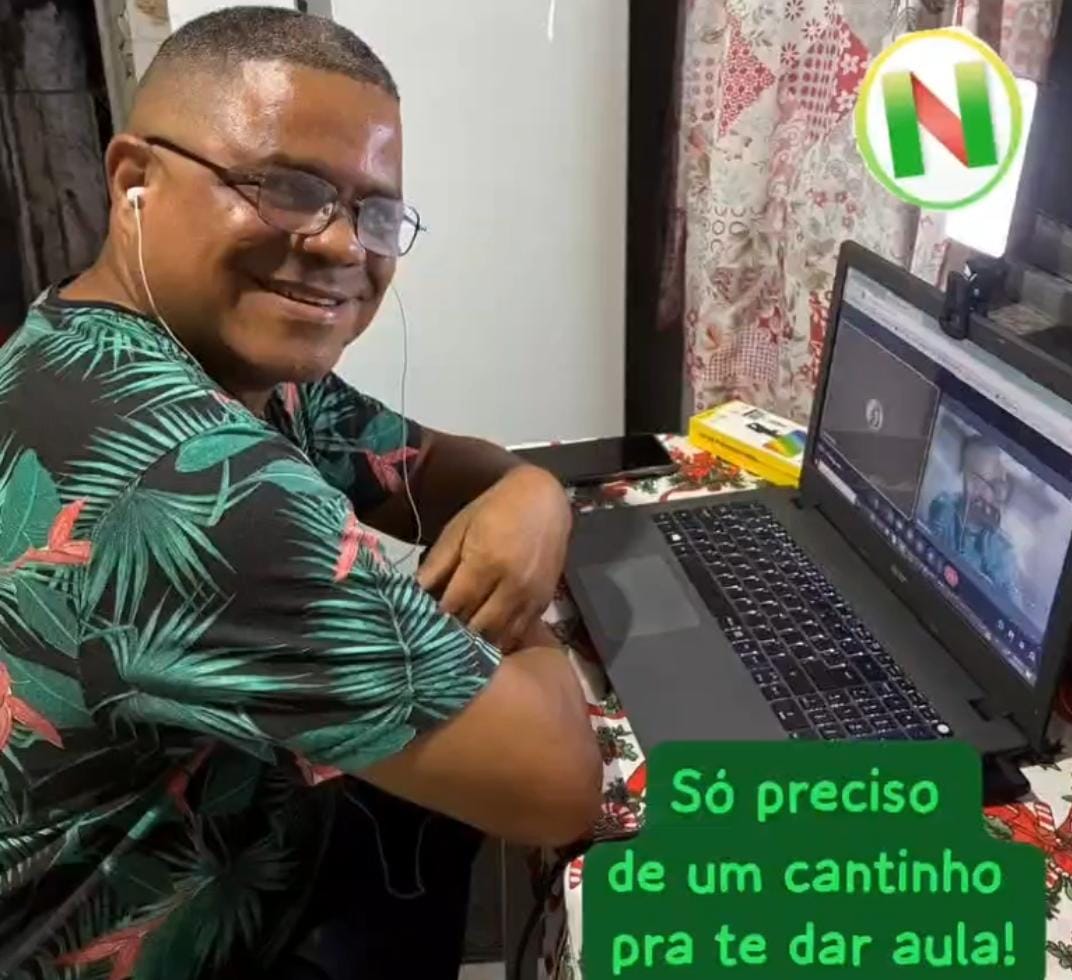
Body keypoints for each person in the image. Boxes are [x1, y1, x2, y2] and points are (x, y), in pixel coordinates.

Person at [0, 8, 602, 979]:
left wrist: (532, 497)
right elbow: (557, 785)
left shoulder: (122, 349)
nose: (339, 244)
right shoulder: (197, 483)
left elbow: (436, 467)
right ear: (133, 178)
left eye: (375, 213)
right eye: (287, 189)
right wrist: (517, 615)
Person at [926, 434, 1023, 608]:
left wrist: (992, 564)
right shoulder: (944, 507)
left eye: (994, 485)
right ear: (963, 476)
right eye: (977, 482)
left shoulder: (1002, 551)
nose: (986, 494)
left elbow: (1014, 609)